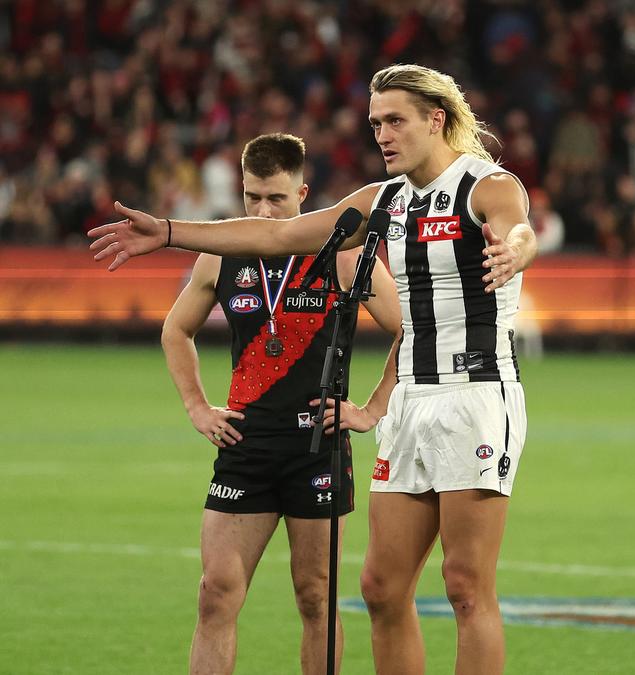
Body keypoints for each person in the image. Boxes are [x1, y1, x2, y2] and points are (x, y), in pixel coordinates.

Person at [91, 63, 536, 675]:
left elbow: (518, 226)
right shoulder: (382, 202)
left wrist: (515, 249)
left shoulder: (485, 183)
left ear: (437, 120)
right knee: (380, 588)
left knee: (463, 584)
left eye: (396, 121)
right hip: (410, 402)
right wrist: (168, 232)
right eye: (376, 122)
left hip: (476, 394)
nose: (382, 133)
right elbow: (277, 237)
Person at [161, 132, 402, 675]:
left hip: (316, 446)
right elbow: (176, 331)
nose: (263, 210)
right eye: (252, 198)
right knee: (216, 593)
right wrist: (198, 408)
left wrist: (371, 409)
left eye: (276, 198)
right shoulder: (221, 253)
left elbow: (408, 331)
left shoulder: (342, 252)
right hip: (246, 444)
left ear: (303, 194)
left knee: (316, 597)